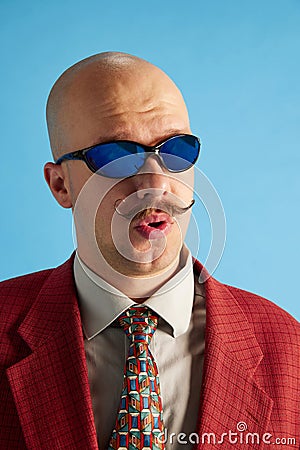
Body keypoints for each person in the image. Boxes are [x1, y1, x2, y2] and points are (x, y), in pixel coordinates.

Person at [0, 52, 299, 450]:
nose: (156, 182)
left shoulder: (288, 349)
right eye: (117, 155)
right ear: (61, 185)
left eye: (177, 149)